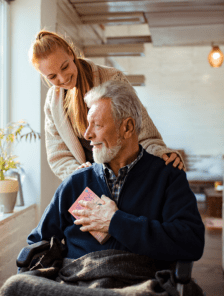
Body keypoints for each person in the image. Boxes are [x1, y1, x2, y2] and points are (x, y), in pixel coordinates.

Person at [0, 81, 205, 296]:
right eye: (88, 125)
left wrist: (115, 222)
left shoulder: (167, 177)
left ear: (127, 127)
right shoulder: (77, 181)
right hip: (74, 282)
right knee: (15, 286)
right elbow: (38, 240)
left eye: (97, 125)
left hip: (136, 284)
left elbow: (191, 242)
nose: (87, 135)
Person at [29, 29, 185, 181]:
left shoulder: (112, 78)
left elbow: (143, 131)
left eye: (65, 67)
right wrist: (78, 174)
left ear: (71, 53)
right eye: (52, 76)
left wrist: (161, 153)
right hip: (87, 182)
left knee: (124, 208)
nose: (63, 78)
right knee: (69, 206)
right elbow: (58, 156)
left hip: (126, 176)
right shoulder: (52, 102)